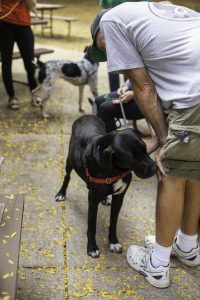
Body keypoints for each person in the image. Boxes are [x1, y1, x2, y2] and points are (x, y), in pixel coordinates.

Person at [90, 2, 200, 289]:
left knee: (170, 171)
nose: (109, 53)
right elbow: (169, 61)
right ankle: (187, 246)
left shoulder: (111, 22)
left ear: (101, 33)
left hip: (194, 96)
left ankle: (157, 265)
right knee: (194, 169)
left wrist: (163, 139)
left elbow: (145, 88)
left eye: (104, 47)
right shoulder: (151, 12)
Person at [99, 0, 150, 92]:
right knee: (113, 66)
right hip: (113, 30)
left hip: (133, 31)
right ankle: (115, 94)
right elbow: (104, 9)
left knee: (132, 66)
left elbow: (146, 8)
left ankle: (130, 92)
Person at [0, 0, 40, 110]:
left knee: (30, 63)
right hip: (5, 24)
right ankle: (12, 97)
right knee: (6, 62)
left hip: (24, 25)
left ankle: (35, 93)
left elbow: (32, 5)